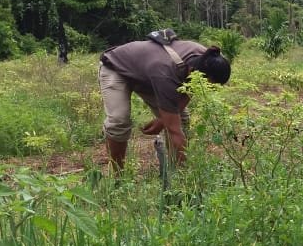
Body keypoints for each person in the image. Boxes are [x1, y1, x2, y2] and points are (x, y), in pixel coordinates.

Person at [98, 32, 231, 170]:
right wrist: (187, 184)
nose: (210, 90)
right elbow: (175, 131)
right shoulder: (166, 72)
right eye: (209, 85)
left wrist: (163, 119)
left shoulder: (206, 58)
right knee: (119, 121)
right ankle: (118, 175)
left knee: (181, 119)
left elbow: (191, 88)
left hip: (146, 73)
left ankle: (174, 170)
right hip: (116, 67)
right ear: (192, 72)